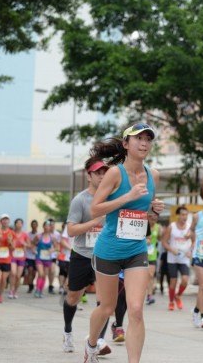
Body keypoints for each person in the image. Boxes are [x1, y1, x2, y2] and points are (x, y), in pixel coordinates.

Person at [84, 123, 165, 363]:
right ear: (126, 144)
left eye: (148, 139)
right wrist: (127, 197)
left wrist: (154, 208)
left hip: (136, 250)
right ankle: (91, 344)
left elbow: (146, 211)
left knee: (136, 310)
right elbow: (95, 209)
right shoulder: (114, 174)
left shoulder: (153, 175)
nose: (144, 143)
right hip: (109, 250)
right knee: (106, 308)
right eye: (139, 138)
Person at [62, 158, 111, 355]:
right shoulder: (80, 200)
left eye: (105, 172)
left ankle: (98, 340)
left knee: (105, 301)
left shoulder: (112, 198)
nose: (102, 176)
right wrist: (95, 222)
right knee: (73, 297)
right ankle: (67, 331)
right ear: (89, 176)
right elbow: (71, 230)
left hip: (105, 256)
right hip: (82, 255)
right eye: (98, 173)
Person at [161, 206, 194, 311]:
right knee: (173, 281)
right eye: (183, 214)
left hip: (184, 258)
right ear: (178, 216)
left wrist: (190, 250)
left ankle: (178, 296)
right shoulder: (172, 227)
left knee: (185, 279)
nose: (185, 217)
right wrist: (171, 250)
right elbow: (164, 242)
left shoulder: (189, 227)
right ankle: (171, 302)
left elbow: (194, 241)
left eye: (186, 215)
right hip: (173, 258)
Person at [0, 214, 15, 303]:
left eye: (7, 219)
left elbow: (13, 248)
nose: (5, 221)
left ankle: (0, 295)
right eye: (3, 219)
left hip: (7, 260)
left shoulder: (11, 233)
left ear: (9, 221)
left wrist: (10, 242)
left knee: (4, 279)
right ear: (0, 221)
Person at [32, 219, 57, 298]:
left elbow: (57, 247)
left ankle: (41, 290)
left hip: (47, 258)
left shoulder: (52, 237)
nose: (47, 227)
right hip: (39, 257)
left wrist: (52, 250)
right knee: (40, 273)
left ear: (50, 227)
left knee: (44, 275)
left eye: (48, 226)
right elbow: (32, 244)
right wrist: (33, 250)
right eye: (45, 226)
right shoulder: (38, 236)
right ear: (43, 227)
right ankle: (37, 290)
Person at [10, 218, 29, 299]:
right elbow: (8, 243)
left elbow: (29, 245)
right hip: (13, 256)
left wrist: (24, 244)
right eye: (17, 223)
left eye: (20, 223)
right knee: (13, 273)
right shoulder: (11, 233)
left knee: (18, 276)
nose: (19, 224)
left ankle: (15, 291)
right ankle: (11, 290)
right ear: (15, 224)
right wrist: (11, 244)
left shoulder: (25, 235)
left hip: (21, 257)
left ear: (22, 225)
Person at [145, 211, 160, 305]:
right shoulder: (143, 225)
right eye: (152, 216)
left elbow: (160, 238)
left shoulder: (158, 227)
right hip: (141, 254)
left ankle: (150, 295)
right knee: (143, 276)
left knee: (151, 274)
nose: (154, 218)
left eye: (156, 216)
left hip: (152, 254)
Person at [24, 219, 39, 293]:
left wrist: (35, 244)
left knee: (34, 272)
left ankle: (32, 282)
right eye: (33, 225)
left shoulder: (39, 234)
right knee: (30, 270)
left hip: (36, 256)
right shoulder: (28, 234)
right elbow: (27, 244)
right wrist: (31, 244)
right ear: (31, 226)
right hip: (29, 256)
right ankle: (30, 285)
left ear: (37, 226)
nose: (34, 226)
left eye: (35, 225)